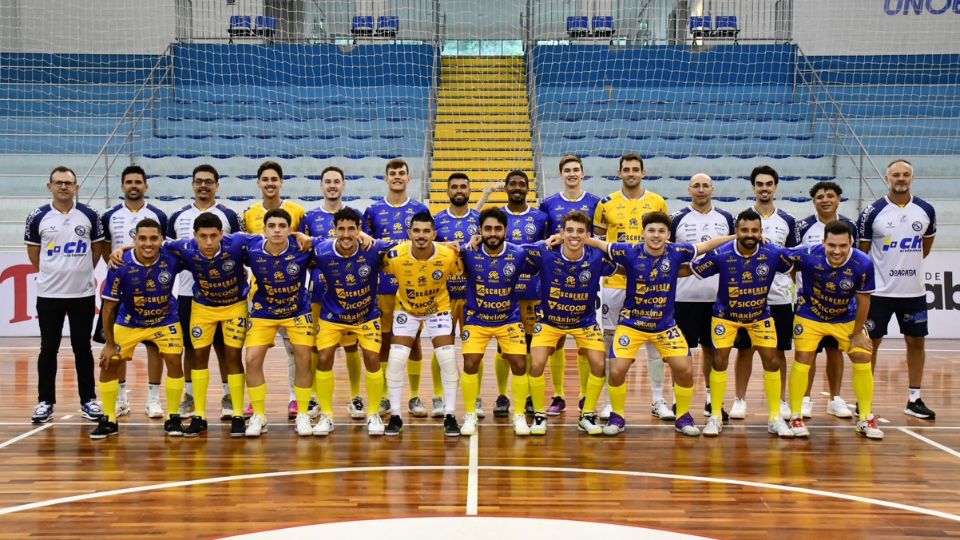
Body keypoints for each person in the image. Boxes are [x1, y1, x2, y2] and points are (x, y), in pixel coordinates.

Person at [583, 212, 732, 437]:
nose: (656, 235)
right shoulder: (629, 251)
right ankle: (617, 416)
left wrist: (735, 237)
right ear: (643, 233)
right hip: (632, 325)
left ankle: (683, 416)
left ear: (668, 235)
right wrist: (570, 238)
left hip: (665, 326)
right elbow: (599, 244)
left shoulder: (677, 252)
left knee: (685, 369)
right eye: (651, 230)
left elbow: (707, 245)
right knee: (617, 369)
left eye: (661, 231)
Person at [691, 209, 796, 438]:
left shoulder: (773, 253)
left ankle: (775, 418)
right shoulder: (721, 253)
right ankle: (715, 416)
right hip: (725, 316)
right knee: (719, 360)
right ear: (736, 231)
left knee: (772, 361)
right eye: (745, 230)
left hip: (760, 315)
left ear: (761, 232)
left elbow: (797, 264)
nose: (750, 234)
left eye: (755, 230)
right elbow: (691, 270)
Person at [593, 153, 674, 421]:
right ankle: (609, 401)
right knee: (610, 341)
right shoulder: (605, 204)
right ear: (619, 173)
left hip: (651, 283)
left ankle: (658, 399)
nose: (631, 173)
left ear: (643, 172)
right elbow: (599, 244)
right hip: (614, 284)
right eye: (626, 169)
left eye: (635, 169)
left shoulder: (657, 202)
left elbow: (666, 241)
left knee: (654, 341)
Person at [785, 220, 882, 439]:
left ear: (851, 243)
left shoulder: (863, 263)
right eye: (832, 245)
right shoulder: (808, 253)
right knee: (803, 358)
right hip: (810, 315)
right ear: (823, 243)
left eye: (843, 246)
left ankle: (865, 418)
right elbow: (782, 256)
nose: (837, 251)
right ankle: (796, 416)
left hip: (845, 317)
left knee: (862, 355)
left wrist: (857, 333)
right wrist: (798, 285)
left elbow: (864, 301)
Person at [857, 159, 937, 419]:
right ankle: (864, 399)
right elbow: (862, 255)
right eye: (895, 175)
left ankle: (914, 399)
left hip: (913, 293)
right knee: (871, 344)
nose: (900, 179)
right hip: (879, 293)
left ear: (912, 178)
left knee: (917, 342)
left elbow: (924, 248)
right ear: (887, 178)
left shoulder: (926, 210)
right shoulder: (872, 212)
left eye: (905, 174)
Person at [25, 166, 105, 424]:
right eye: (58, 182)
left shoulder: (90, 215)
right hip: (49, 295)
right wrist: (52, 274)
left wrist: (81, 272)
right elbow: (34, 254)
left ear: (76, 187)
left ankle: (88, 400)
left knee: (82, 348)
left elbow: (96, 250)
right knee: (48, 348)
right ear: (50, 186)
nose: (63, 187)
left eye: (68, 183)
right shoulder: (37, 216)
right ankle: (45, 402)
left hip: (82, 294)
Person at [523, 211, 614, 436]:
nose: (575, 235)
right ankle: (539, 415)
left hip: (584, 322)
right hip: (549, 321)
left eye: (580, 231)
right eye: (570, 230)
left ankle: (587, 415)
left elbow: (625, 258)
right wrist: (544, 241)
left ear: (588, 235)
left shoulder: (596, 256)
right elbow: (514, 249)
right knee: (536, 363)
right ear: (561, 232)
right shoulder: (546, 252)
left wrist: (595, 243)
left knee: (599, 364)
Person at [91, 219, 184, 439]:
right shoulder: (120, 264)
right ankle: (109, 419)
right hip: (129, 321)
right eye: (142, 238)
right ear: (135, 240)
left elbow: (200, 253)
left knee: (174, 360)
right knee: (109, 362)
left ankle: (173, 416)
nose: (148, 243)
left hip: (165, 319)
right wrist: (109, 344)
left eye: (153, 238)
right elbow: (108, 308)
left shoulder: (172, 257)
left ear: (162, 240)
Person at [309, 207, 394, 437]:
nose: (346, 234)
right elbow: (303, 242)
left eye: (351, 229)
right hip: (333, 316)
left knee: (372, 358)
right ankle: (327, 415)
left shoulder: (373, 248)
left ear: (359, 230)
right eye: (341, 229)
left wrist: (448, 245)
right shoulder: (322, 250)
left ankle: (373, 413)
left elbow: (407, 246)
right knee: (324, 357)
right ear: (334, 230)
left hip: (366, 315)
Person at [168, 164, 243, 421]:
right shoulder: (178, 216)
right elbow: (165, 249)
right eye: (199, 181)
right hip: (188, 293)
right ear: (192, 184)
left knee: (225, 348)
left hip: (223, 295)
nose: (203, 185)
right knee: (191, 348)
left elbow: (239, 249)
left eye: (209, 181)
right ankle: (189, 398)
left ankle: (228, 397)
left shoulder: (229, 215)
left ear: (217, 185)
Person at [381, 211, 463, 437]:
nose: (421, 235)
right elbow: (372, 257)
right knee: (396, 359)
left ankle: (450, 415)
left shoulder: (448, 255)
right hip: (406, 310)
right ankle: (395, 416)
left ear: (434, 234)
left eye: (426, 231)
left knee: (448, 358)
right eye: (416, 230)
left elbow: (469, 258)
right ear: (409, 233)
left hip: (438, 309)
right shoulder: (395, 255)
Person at [459, 208, 536, 436]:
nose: (493, 233)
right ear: (480, 231)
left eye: (497, 229)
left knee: (520, 364)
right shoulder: (468, 252)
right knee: (470, 362)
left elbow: (544, 248)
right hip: (477, 319)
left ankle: (519, 415)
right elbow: (442, 248)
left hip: (508, 319)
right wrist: (464, 243)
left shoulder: (518, 254)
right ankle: (470, 414)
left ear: (505, 231)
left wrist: (559, 238)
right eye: (488, 229)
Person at [98, 164, 167, 418]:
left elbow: (162, 246)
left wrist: (128, 250)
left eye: (138, 182)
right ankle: (121, 399)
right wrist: (118, 264)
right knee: (117, 347)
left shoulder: (159, 214)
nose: (134, 186)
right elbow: (106, 249)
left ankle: (153, 400)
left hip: (153, 288)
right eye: (129, 182)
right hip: (122, 288)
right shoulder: (109, 215)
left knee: (154, 347)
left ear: (146, 186)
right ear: (123, 186)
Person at [363, 158, 431, 417]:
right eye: (393, 173)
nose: (397, 177)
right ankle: (383, 397)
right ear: (386, 178)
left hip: (412, 286)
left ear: (408, 178)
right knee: (384, 340)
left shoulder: (419, 208)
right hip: (382, 286)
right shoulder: (373, 211)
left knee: (413, 340)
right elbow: (367, 248)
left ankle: (414, 397)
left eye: (402, 173)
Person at [730, 165, 797, 421]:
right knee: (744, 350)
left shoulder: (787, 221)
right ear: (753, 187)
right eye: (760, 184)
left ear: (775, 187)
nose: (764, 188)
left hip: (779, 297)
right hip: (747, 298)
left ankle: (780, 400)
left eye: (769, 184)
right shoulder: (742, 218)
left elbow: (792, 260)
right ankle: (740, 400)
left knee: (778, 352)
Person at [240, 208, 315, 437]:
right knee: (251, 359)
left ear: (290, 230)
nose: (276, 230)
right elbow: (226, 241)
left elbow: (334, 242)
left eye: (282, 226)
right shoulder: (252, 249)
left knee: (303, 358)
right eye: (271, 226)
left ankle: (303, 413)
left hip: (297, 311)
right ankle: (259, 415)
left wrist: (362, 235)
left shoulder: (302, 248)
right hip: (264, 311)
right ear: (264, 229)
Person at [242, 160, 307, 420]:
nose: (270, 183)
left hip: (292, 298)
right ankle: (254, 403)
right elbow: (243, 248)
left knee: (296, 351)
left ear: (281, 182)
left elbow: (306, 244)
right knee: (254, 354)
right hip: (261, 298)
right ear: (259, 183)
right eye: (265, 179)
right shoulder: (249, 214)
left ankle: (295, 398)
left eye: (274, 179)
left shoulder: (297, 211)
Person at [538, 155, 602, 416]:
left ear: (582, 173)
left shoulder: (596, 202)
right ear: (561, 174)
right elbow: (545, 239)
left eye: (576, 169)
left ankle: (585, 395)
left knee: (586, 341)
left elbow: (600, 238)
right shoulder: (549, 203)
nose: (572, 174)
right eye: (567, 170)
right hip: (557, 273)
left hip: (586, 274)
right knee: (557, 340)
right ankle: (559, 395)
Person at [300, 166, 366, 420]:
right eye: (327, 181)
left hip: (349, 291)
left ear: (343, 185)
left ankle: (355, 396)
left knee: (352, 345)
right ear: (321, 185)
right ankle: (314, 396)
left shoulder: (355, 216)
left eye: (336, 181)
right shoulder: (310, 217)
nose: (332, 185)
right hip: (318, 291)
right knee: (317, 346)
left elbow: (366, 247)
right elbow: (304, 251)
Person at [669, 173, 734, 421]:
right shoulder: (677, 218)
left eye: (705, 185)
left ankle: (711, 400)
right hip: (683, 296)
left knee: (714, 350)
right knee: (680, 351)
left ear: (713, 189)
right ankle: (678, 400)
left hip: (717, 298)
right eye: (696, 186)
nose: (701, 189)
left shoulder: (726, 218)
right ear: (689, 189)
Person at [794, 181, 857, 419]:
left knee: (835, 351)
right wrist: (800, 286)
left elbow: (856, 259)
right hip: (810, 303)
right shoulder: (802, 226)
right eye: (820, 196)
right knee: (807, 352)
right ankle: (805, 398)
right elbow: (793, 260)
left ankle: (835, 399)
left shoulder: (849, 225)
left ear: (838, 199)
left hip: (840, 303)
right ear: (814, 202)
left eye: (830, 195)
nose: (825, 200)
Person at [432, 172, 480, 418]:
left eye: (463, 186)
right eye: (454, 187)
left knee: (473, 349)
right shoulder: (437, 220)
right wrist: (443, 245)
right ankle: (438, 396)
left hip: (474, 294)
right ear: (447, 191)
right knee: (442, 347)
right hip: (444, 294)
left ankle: (476, 398)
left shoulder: (481, 220)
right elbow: (425, 248)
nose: (459, 190)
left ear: (470, 190)